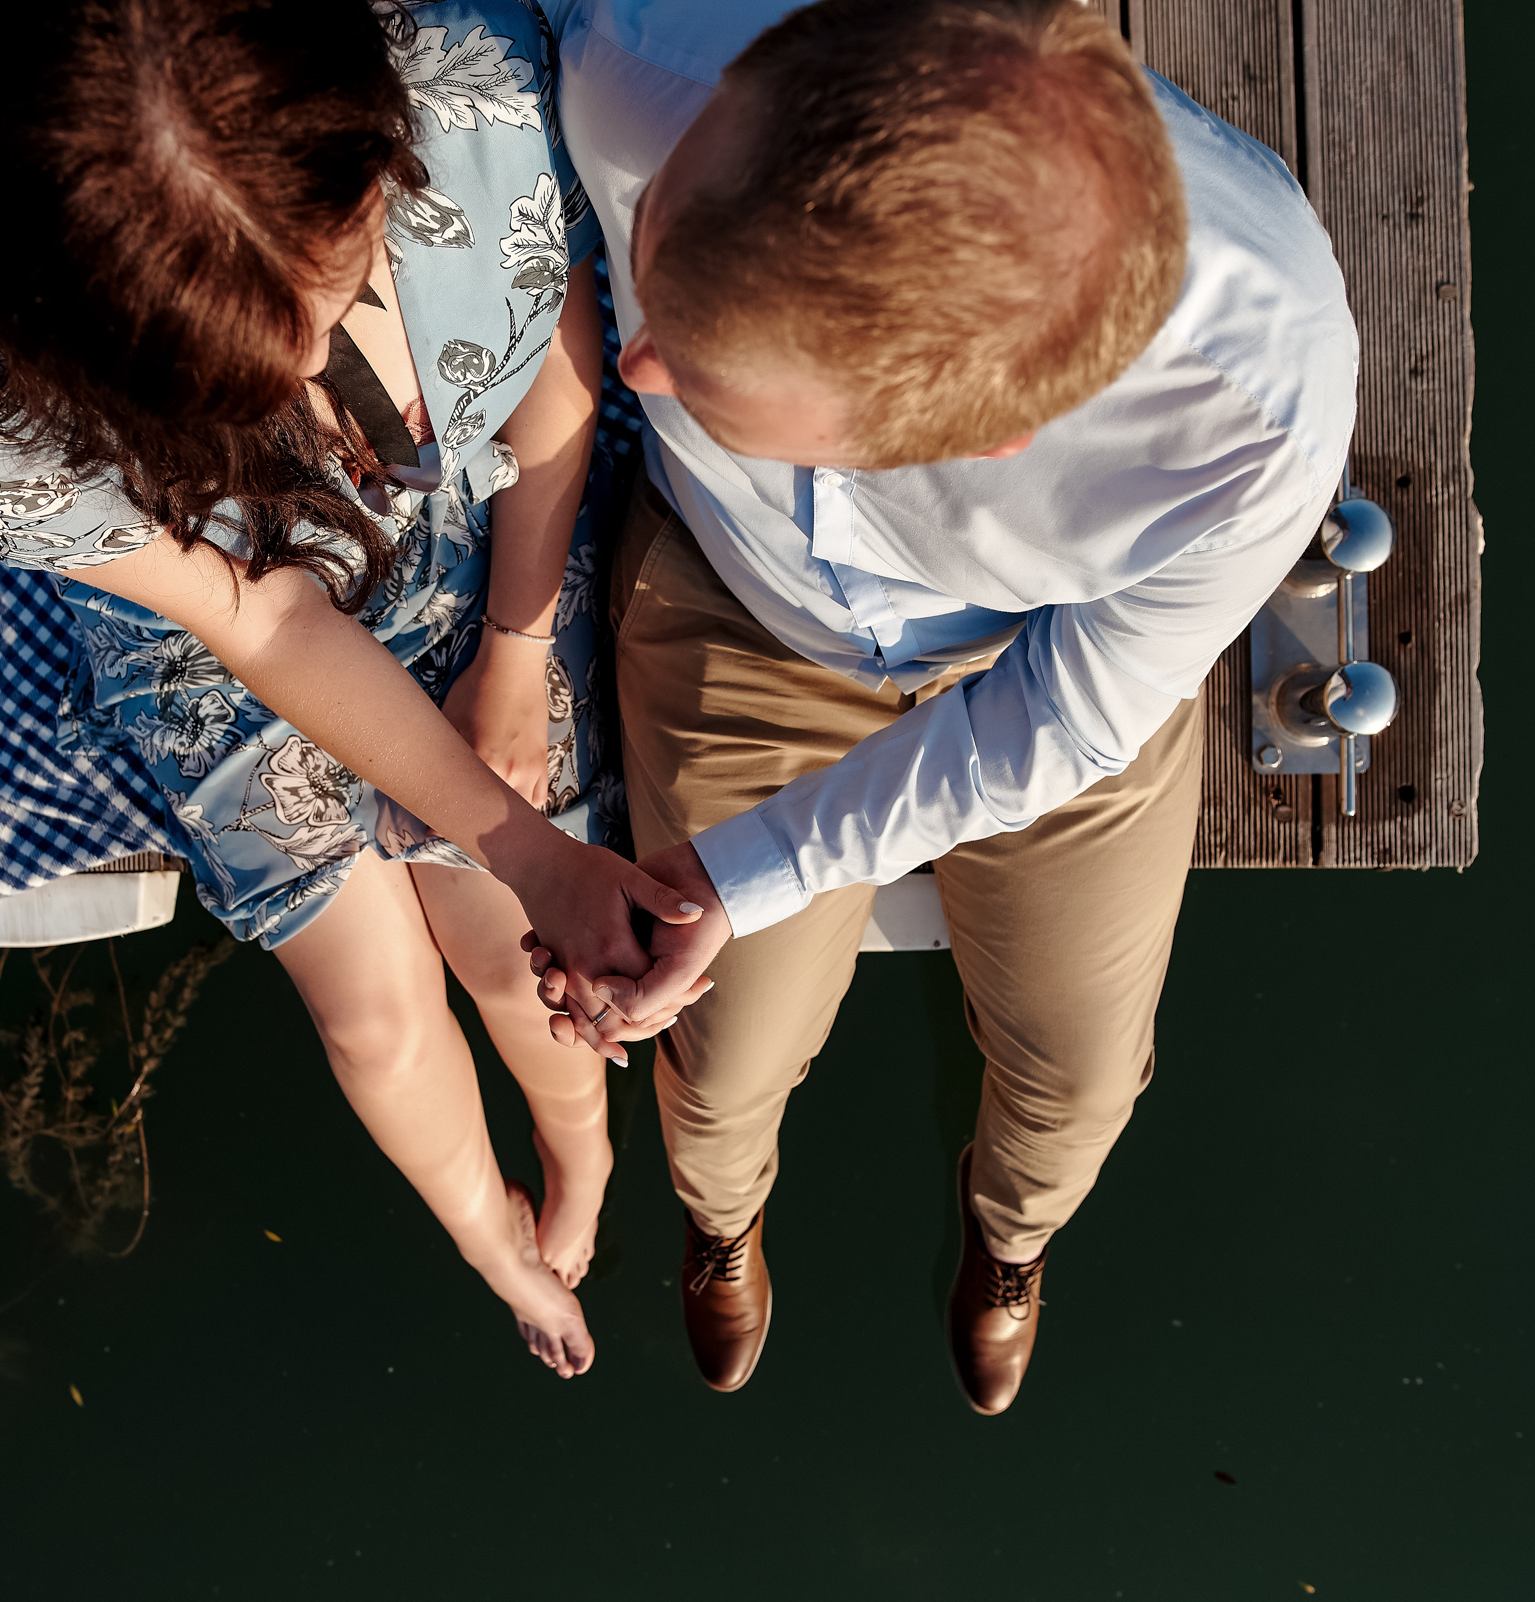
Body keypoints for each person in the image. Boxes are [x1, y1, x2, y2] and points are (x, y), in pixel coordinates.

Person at [0, 0, 712, 1379]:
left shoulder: (473, 75)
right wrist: (505, 827)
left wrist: (512, 656)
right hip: (225, 625)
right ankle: (490, 1237)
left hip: (480, 546)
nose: (313, 369)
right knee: (371, 1008)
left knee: (509, 948)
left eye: (331, 277)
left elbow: (549, 385)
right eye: (235, 359)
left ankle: (582, 1151)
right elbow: (253, 619)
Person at [525, 0, 1359, 1407]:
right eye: (655, 257)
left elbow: (1058, 725)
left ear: (970, 441)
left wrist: (758, 870)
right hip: (744, 605)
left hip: (1048, 660)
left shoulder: (1254, 425)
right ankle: (722, 1216)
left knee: (1083, 1073)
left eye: (704, 368)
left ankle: (1011, 1236)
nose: (644, 368)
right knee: (720, 1061)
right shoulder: (637, 62)